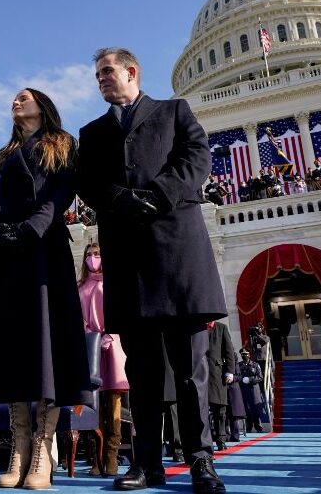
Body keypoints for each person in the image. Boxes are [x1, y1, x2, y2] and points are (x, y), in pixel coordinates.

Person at [78, 48, 227, 493]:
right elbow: (87, 182)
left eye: (107, 71)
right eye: (97, 74)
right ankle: (146, 464)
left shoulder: (174, 111)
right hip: (128, 261)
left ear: (131, 71)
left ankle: (201, 461)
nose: (101, 79)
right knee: (141, 373)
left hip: (178, 254)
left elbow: (195, 159)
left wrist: (158, 195)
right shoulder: (93, 132)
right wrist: (120, 199)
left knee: (189, 368)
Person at [0, 88, 93, 490]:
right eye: (14, 97)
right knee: (12, 347)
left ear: (42, 105)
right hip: (6, 256)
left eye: (24, 97)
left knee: (45, 345)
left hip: (44, 252)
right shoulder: (4, 155)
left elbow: (61, 192)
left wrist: (32, 228)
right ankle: (20, 444)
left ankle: (42, 449)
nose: (16, 101)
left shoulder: (62, 144)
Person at [78, 242, 129, 476]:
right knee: (93, 404)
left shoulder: (113, 283)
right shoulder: (79, 287)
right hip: (91, 348)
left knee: (114, 402)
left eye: (97, 254)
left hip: (112, 345)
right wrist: (89, 336)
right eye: (89, 254)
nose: (92, 258)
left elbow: (120, 312)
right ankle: (95, 460)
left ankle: (112, 456)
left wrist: (110, 334)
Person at [206, 322, 235, 451]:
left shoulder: (221, 328)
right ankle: (205, 442)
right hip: (198, 373)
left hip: (217, 374)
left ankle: (221, 439)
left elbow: (229, 351)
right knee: (201, 411)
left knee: (220, 410)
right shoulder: (197, 326)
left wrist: (230, 371)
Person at [238, 349, 264, 433]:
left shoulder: (255, 365)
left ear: (249, 355)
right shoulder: (239, 365)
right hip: (244, 389)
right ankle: (248, 426)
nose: (244, 356)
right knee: (246, 408)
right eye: (242, 354)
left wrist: (250, 379)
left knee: (256, 408)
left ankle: (258, 426)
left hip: (254, 389)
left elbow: (260, 377)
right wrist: (242, 380)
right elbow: (237, 376)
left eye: (246, 354)